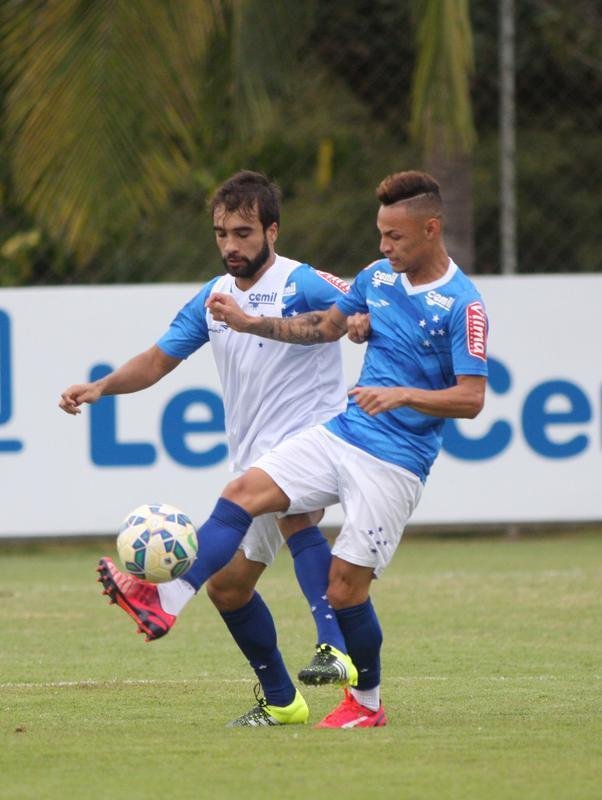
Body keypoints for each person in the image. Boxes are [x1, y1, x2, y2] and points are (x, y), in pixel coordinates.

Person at [59, 170, 362, 727]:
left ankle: (329, 642)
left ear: (273, 230)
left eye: (243, 232)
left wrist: (272, 323)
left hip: (317, 441)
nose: (230, 245)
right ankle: (282, 700)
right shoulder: (212, 297)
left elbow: (348, 315)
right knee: (229, 586)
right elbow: (156, 361)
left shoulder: (305, 281)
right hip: (254, 460)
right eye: (222, 232)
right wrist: (103, 386)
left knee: (293, 513)